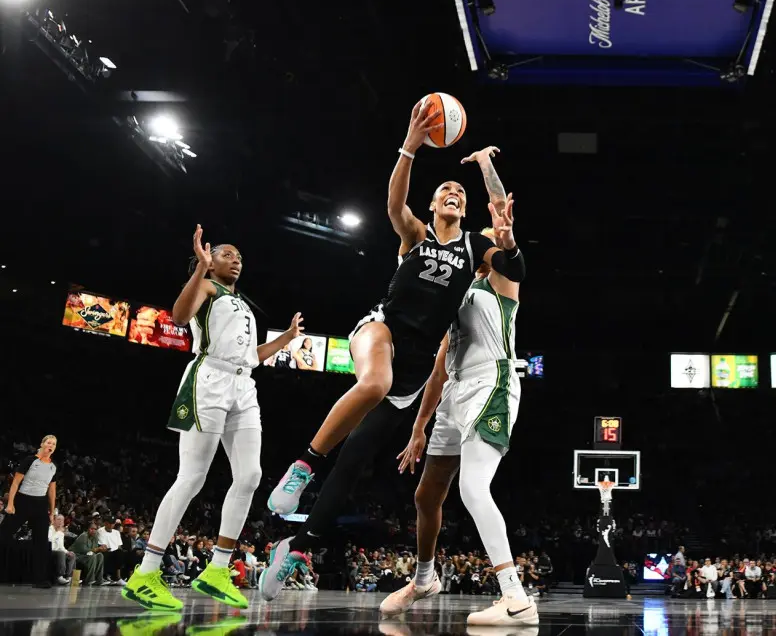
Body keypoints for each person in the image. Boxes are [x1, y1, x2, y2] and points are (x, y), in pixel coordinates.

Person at [261, 104, 525, 601]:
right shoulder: (416, 234)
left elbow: (508, 246)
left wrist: (495, 200)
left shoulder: (474, 254)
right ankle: (304, 463)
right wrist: (410, 146)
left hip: (415, 374)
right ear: (431, 205)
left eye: (459, 192)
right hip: (380, 331)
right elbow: (393, 204)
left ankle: (300, 546)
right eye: (445, 189)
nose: (452, 192)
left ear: (467, 211)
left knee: (358, 456)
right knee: (373, 383)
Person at [381, 146, 536, 625]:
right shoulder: (453, 287)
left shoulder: (501, 284)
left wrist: (488, 170)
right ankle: (425, 579)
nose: (487, 240)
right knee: (427, 496)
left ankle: (516, 597)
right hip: (454, 393)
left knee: (473, 488)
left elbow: (514, 261)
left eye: (491, 237)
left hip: (492, 380)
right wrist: (420, 425)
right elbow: (441, 365)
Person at [122, 226, 304, 612]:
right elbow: (178, 314)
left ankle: (218, 569)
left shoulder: (243, 305)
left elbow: (252, 356)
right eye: (227, 254)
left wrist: (286, 338)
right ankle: (145, 573)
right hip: (208, 379)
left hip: (243, 385)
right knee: (191, 477)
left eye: (239, 256)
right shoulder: (205, 287)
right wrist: (200, 270)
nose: (235, 260)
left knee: (251, 475)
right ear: (209, 258)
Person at [1, 435, 57, 588]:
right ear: (42, 444)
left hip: (40, 504)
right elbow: (16, 482)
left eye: (53, 444)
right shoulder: (30, 460)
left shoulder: (53, 466)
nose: (50, 445)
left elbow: (52, 490)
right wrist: (11, 503)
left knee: (41, 542)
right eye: (48, 442)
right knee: (3, 533)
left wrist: (51, 512)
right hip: (23, 500)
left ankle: (39, 579)